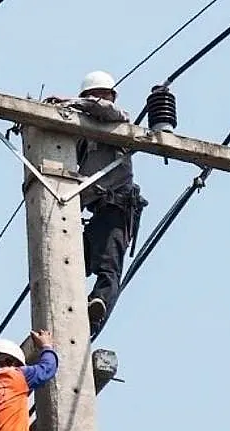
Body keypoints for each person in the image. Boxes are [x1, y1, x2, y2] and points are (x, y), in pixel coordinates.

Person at [44, 71, 148, 334]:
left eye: (102, 95)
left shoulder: (119, 122)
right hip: (95, 214)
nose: (98, 100)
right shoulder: (83, 135)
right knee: (66, 261)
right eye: (92, 95)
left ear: (111, 97)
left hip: (116, 210)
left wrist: (71, 102)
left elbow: (106, 110)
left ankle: (97, 305)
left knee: (108, 267)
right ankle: (71, 312)